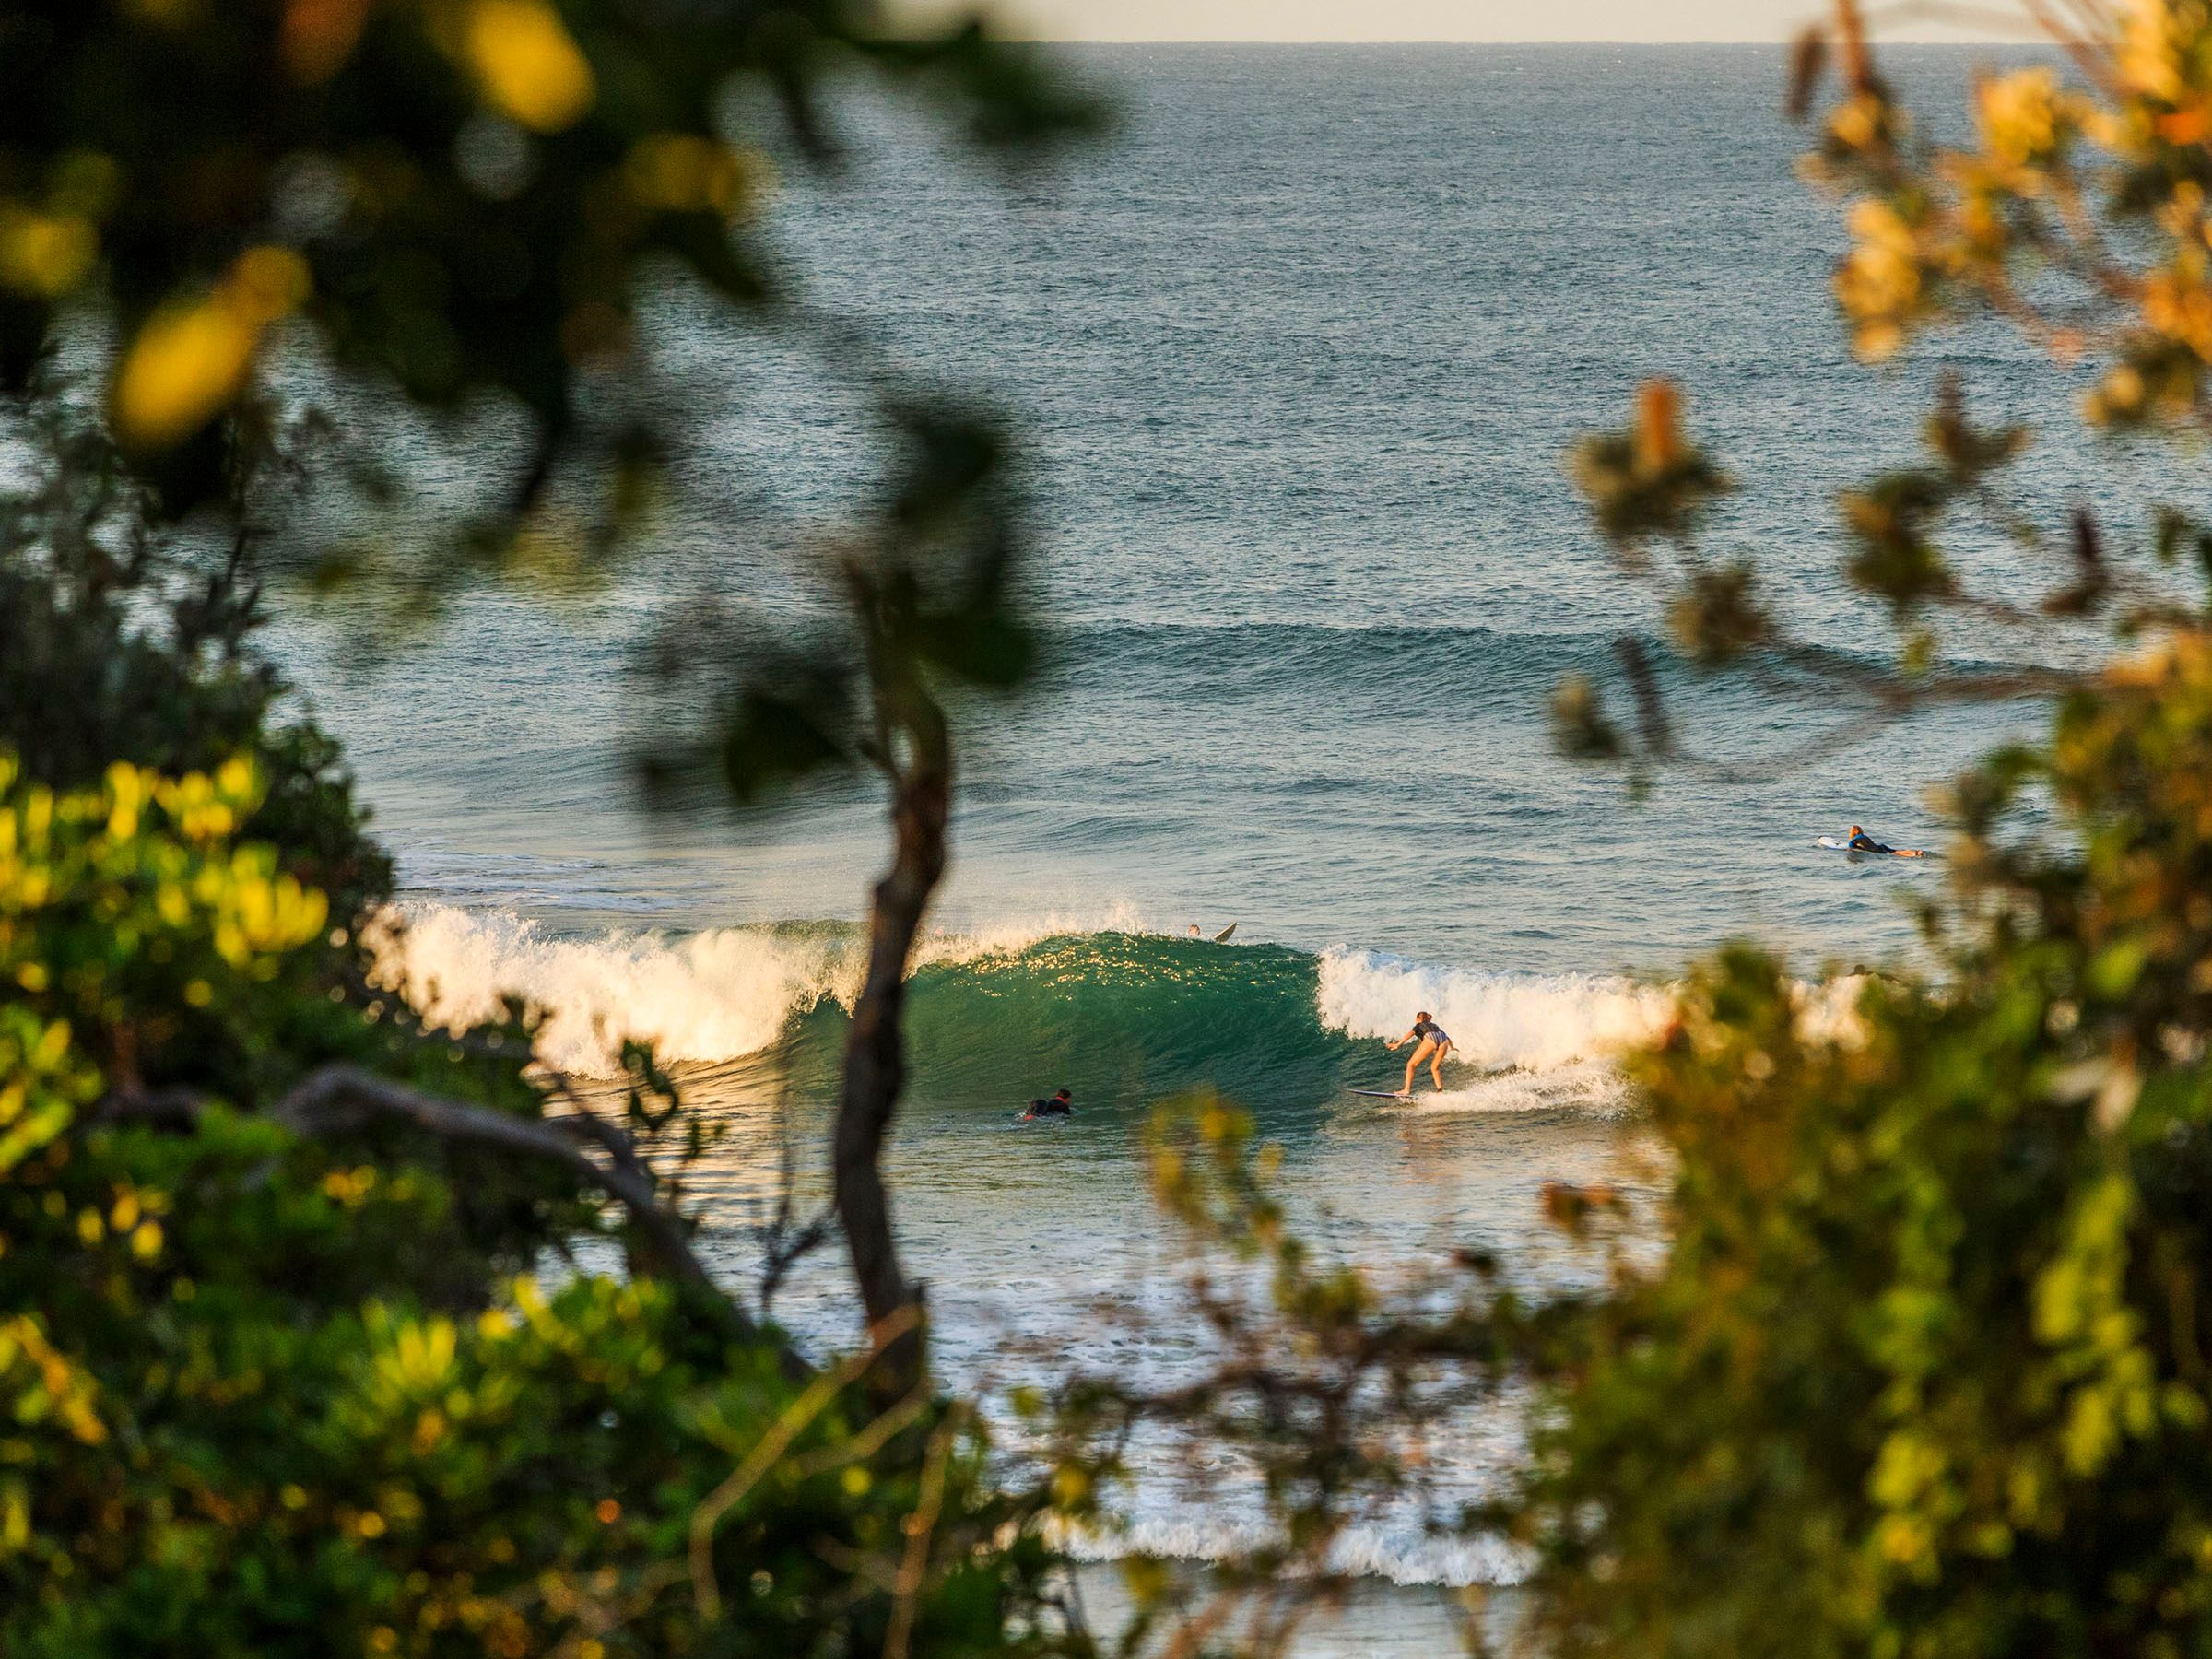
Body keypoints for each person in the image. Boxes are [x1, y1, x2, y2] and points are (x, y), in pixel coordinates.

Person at [1386, 1012, 1453, 1095]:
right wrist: (1452, 1047)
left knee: (1411, 1064)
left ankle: (1406, 1090)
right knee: (1434, 1068)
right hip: (1444, 1040)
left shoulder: (1418, 1025)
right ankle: (1440, 1091)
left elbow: (1411, 1033)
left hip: (1431, 1038)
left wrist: (1398, 1044)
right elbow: (1447, 1037)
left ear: (1418, 1019)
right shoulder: (1434, 1025)